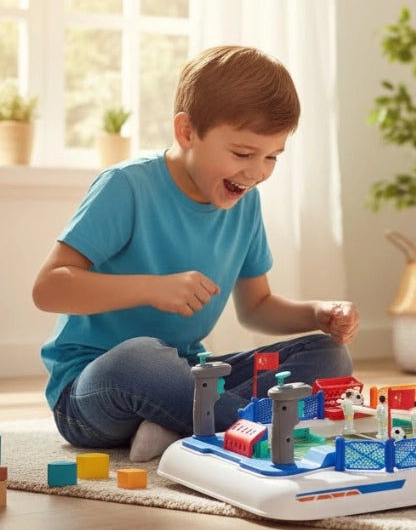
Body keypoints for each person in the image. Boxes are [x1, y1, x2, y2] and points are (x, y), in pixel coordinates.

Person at [33, 45, 359, 462]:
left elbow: (256, 307)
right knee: (140, 358)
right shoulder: (127, 186)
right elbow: (48, 288)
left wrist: (317, 314)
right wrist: (153, 289)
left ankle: (188, 423)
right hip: (93, 390)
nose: (256, 172)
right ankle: (247, 428)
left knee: (329, 355)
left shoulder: (245, 204)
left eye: (272, 157)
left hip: (188, 378)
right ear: (187, 132)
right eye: (242, 154)